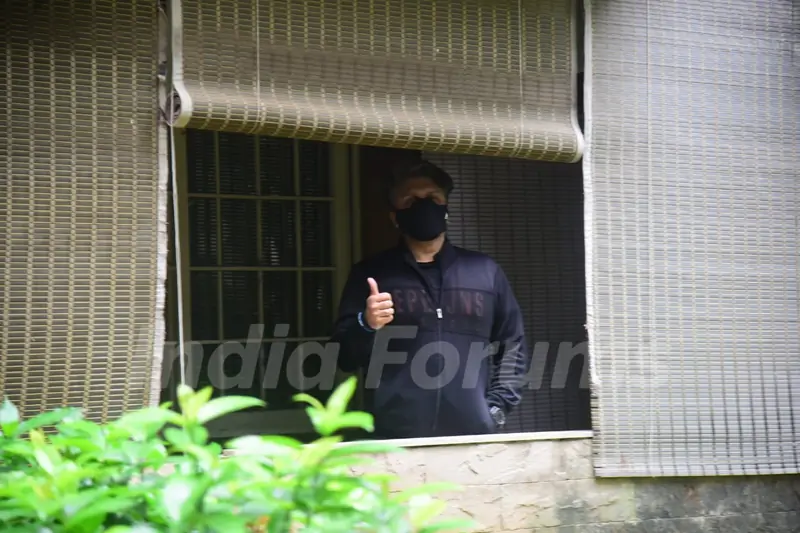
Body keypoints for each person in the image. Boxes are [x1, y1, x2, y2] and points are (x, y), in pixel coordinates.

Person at [330, 159, 530, 439]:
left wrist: (495, 410)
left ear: (446, 207)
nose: (422, 205)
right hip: (396, 437)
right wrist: (367, 323)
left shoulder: (484, 271)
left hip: (472, 436)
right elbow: (344, 357)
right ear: (394, 216)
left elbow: (513, 347)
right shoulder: (372, 274)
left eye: (432, 198)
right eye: (410, 200)